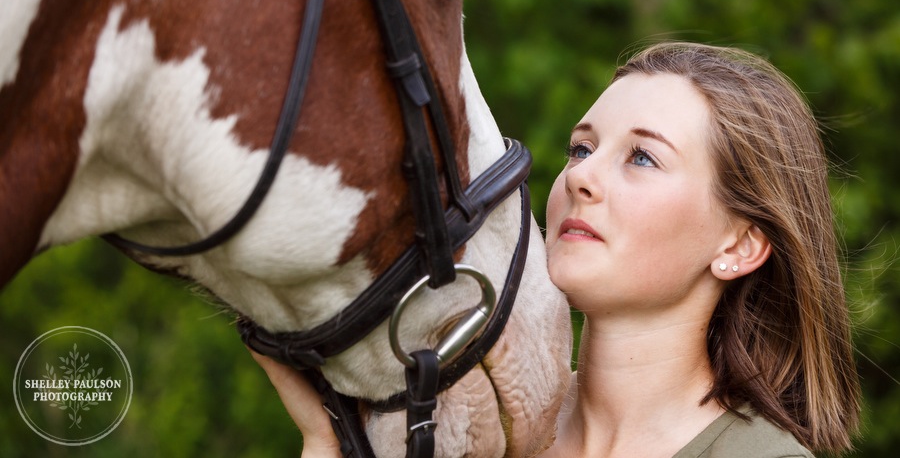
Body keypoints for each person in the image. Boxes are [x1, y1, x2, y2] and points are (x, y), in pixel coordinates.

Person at [252, 42, 861, 457]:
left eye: (642, 158)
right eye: (581, 149)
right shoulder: (472, 429)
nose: (581, 178)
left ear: (740, 243)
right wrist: (325, 446)